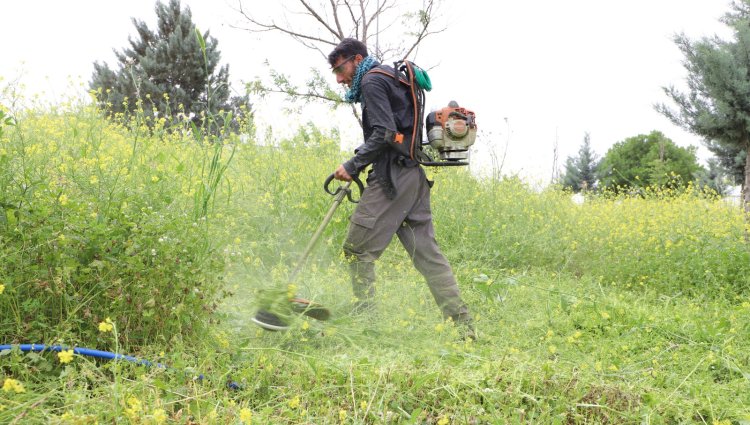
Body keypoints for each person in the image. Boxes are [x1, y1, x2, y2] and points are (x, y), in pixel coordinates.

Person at [328, 38, 475, 339]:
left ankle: (365, 325)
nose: (340, 79)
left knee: (356, 250)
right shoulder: (389, 77)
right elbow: (394, 132)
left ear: (356, 59)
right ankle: (465, 327)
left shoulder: (371, 82)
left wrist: (353, 165)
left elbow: (384, 133)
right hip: (414, 177)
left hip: (392, 179)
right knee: (428, 256)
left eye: (340, 69)